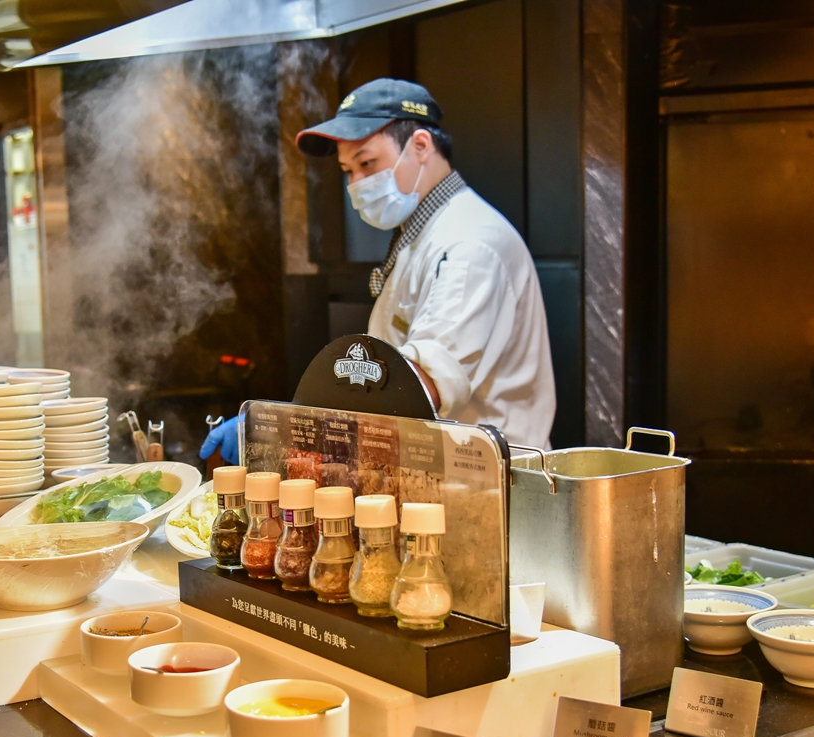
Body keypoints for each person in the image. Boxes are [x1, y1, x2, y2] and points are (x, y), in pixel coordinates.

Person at [201, 79, 556, 465]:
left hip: (491, 483)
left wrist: (282, 430)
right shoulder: (421, 234)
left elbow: (417, 391)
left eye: (367, 163)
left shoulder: (469, 243)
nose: (357, 185)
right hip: (441, 474)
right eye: (347, 170)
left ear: (420, 146)